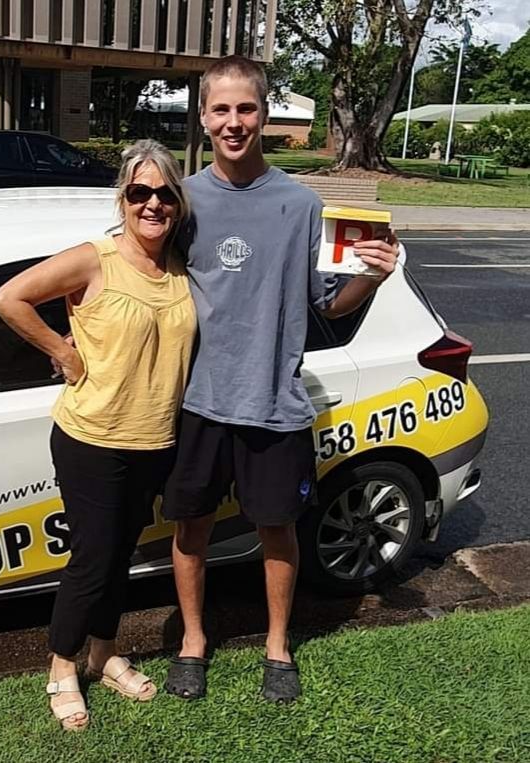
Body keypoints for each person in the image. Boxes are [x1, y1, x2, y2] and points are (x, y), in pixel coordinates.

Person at [161, 56, 401, 703]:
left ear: (265, 116)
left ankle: (276, 645)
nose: (233, 122)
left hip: (274, 405)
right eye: (221, 110)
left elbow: (329, 306)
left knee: (277, 530)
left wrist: (372, 275)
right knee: (191, 529)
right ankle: (192, 640)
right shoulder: (181, 200)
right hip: (199, 404)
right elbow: (130, 274)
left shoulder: (301, 205)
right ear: (204, 117)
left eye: (246, 109)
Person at [0, 140, 196, 731]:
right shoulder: (95, 258)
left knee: (119, 557)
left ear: (177, 203)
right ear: (123, 198)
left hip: (155, 439)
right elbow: (8, 298)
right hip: (93, 439)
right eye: (139, 192)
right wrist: (60, 349)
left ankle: (104, 653)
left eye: (164, 194)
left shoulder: (179, 266)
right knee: (92, 559)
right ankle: (62, 667)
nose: (152, 204)